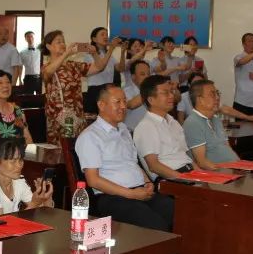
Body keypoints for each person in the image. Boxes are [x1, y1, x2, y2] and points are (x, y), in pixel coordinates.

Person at [75, 85, 173, 231]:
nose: (123, 106)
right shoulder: (90, 136)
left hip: (138, 191)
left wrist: (147, 182)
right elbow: (93, 180)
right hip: (113, 197)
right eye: (117, 102)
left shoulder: (124, 129)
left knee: (178, 213)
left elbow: (132, 163)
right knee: (156, 225)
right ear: (101, 105)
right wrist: (131, 194)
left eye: (125, 101)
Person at [0, 136, 54, 220]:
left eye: (20, 160)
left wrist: (46, 196)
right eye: (13, 161)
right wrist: (34, 203)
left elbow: (45, 214)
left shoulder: (19, 181)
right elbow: (0, 223)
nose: (19, 165)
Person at [40, 30, 104, 143]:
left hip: (77, 115)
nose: (63, 44)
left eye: (63, 41)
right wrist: (67, 54)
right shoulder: (46, 67)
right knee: (63, 147)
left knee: (78, 146)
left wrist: (94, 53)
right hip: (59, 116)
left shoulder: (73, 65)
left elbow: (99, 67)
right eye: (58, 42)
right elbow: (48, 72)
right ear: (49, 46)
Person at [133, 75, 193, 180]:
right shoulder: (146, 126)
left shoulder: (173, 122)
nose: (171, 96)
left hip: (188, 171)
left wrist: (203, 175)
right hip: (169, 179)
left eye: (171, 91)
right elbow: (154, 166)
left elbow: (185, 155)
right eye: (165, 93)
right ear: (151, 100)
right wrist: (184, 179)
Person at [182, 79, 241, 169]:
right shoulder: (192, 123)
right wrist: (229, 172)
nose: (217, 97)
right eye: (212, 94)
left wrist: (241, 166)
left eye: (217, 93)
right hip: (219, 172)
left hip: (234, 168)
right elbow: (202, 162)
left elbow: (227, 149)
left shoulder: (216, 119)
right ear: (200, 100)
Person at [82, 27, 126, 113]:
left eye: (106, 35)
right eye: (102, 34)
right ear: (94, 39)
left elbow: (120, 68)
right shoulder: (89, 54)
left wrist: (123, 52)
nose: (105, 37)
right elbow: (100, 68)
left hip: (108, 89)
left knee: (109, 116)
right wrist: (111, 48)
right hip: (95, 90)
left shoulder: (108, 54)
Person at [123, 59, 151, 133]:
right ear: (133, 77)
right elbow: (131, 105)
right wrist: (149, 89)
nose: (147, 77)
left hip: (150, 132)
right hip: (131, 133)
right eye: (142, 74)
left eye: (148, 74)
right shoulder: (125, 91)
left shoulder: (152, 90)